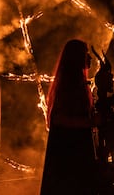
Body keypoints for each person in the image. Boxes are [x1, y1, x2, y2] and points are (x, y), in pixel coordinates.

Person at [40, 39, 99, 195]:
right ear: (76, 57)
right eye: (86, 54)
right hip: (68, 151)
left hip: (75, 148)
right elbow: (59, 119)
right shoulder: (68, 84)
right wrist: (90, 122)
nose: (90, 58)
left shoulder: (78, 82)